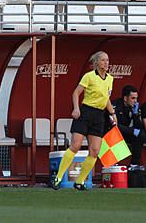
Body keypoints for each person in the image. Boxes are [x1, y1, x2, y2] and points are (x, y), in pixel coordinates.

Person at [50, 51, 117, 191]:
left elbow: (106, 99)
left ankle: (79, 182)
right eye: (103, 60)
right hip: (86, 112)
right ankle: (58, 177)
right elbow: (76, 93)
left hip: (99, 115)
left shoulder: (110, 79)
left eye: (108, 60)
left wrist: (112, 113)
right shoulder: (89, 76)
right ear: (97, 62)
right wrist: (76, 109)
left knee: (95, 150)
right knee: (75, 145)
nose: (106, 63)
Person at [111, 85, 146, 167]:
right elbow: (114, 126)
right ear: (125, 98)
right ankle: (113, 165)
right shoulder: (114, 106)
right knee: (117, 135)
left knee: (141, 135)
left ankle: (133, 165)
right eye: (133, 98)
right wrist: (133, 131)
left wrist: (135, 114)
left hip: (124, 132)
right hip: (111, 133)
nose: (135, 101)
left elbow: (138, 127)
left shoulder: (133, 107)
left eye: (136, 98)